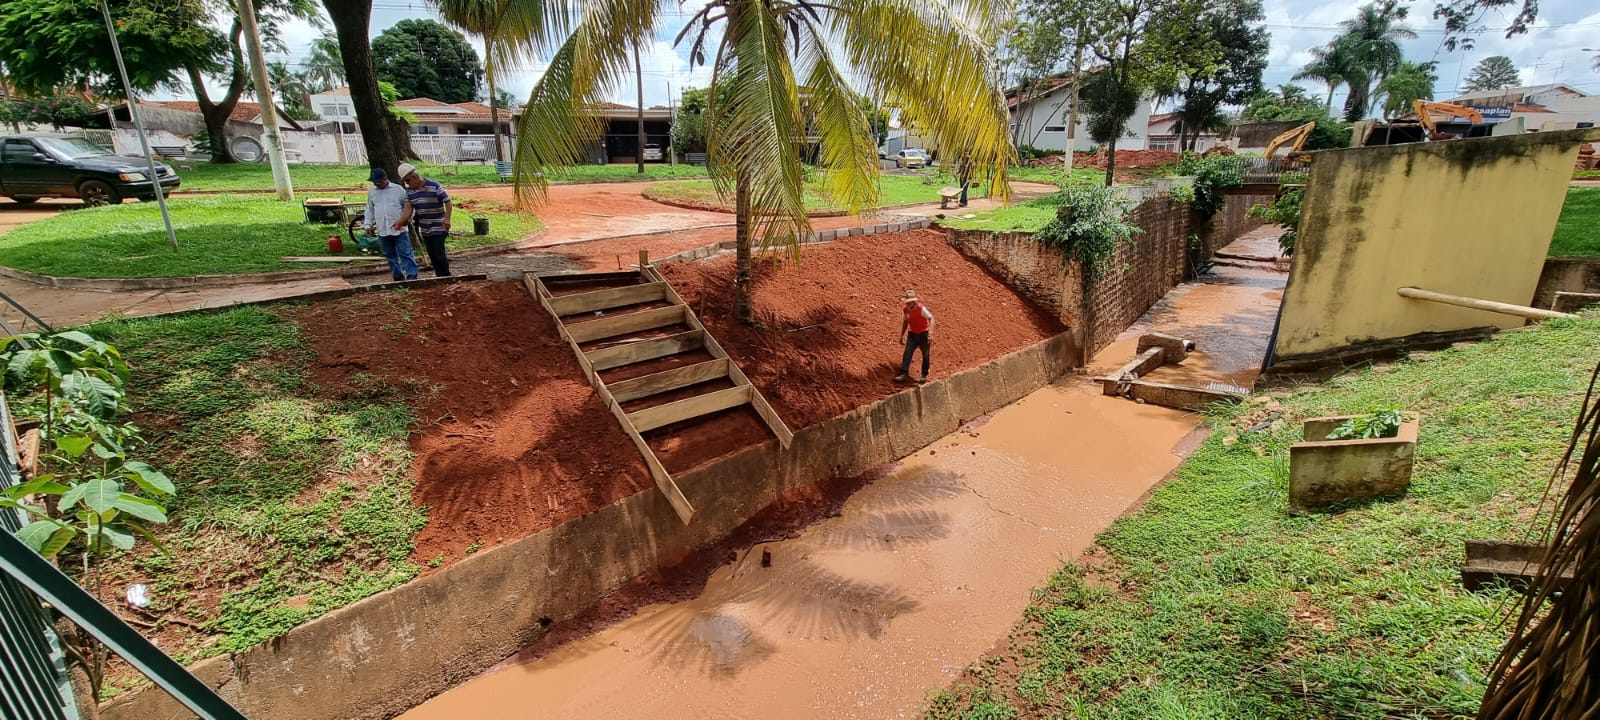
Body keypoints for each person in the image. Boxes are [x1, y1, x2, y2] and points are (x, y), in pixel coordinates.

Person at [398, 161, 453, 277]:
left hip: (438, 225)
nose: (407, 184)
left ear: (415, 177)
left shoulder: (434, 186)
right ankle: (439, 275)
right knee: (432, 253)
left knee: (438, 252)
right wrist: (401, 221)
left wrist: (447, 219)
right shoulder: (410, 192)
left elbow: (447, 202)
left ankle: (445, 275)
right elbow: (409, 208)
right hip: (425, 227)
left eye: (408, 181)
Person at [365, 167, 417, 281]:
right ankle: (398, 277)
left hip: (399, 229)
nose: (376, 184)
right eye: (374, 182)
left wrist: (407, 220)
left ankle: (412, 277)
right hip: (383, 229)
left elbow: (408, 206)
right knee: (390, 256)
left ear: (385, 179)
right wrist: (368, 224)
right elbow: (370, 209)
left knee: (405, 253)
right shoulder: (372, 192)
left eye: (378, 182)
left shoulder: (398, 190)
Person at [896, 289, 934, 383]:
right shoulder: (905, 310)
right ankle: (904, 373)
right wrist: (901, 335)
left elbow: (931, 318)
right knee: (907, 352)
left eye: (909, 302)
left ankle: (924, 375)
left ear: (914, 301)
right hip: (912, 334)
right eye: (907, 302)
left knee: (925, 354)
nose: (908, 304)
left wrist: (930, 332)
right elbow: (905, 321)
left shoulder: (921, 308)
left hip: (924, 334)